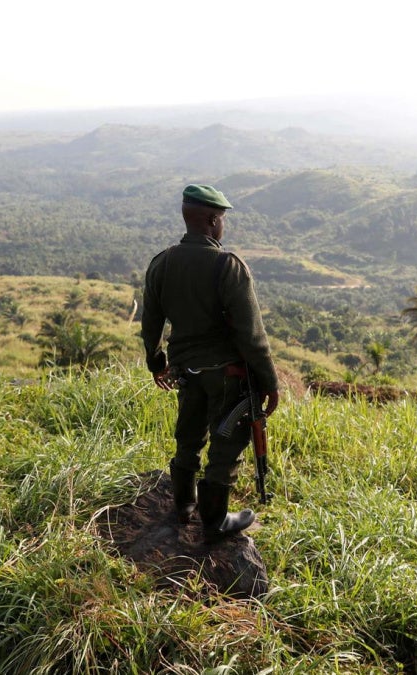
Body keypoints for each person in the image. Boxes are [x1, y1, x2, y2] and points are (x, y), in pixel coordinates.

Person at [141, 184, 280, 544]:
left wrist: (157, 363)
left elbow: (151, 322)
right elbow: (253, 335)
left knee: (188, 437)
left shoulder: (163, 262)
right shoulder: (228, 266)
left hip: (184, 370)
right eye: (223, 220)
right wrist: (270, 382)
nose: (224, 227)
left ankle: (184, 505)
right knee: (227, 443)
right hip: (227, 375)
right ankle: (215, 520)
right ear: (213, 220)